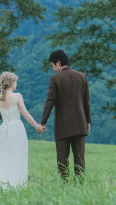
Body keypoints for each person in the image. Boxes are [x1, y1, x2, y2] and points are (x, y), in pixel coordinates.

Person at [38, 49, 91, 180]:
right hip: (80, 124)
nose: (53, 69)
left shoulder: (55, 79)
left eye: (52, 65)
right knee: (79, 158)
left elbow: (50, 102)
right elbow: (86, 101)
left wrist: (42, 122)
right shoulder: (82, 76)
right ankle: (79, 186)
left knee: (62, 159)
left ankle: (64, 185)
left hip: (63, 125)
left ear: (58, 62)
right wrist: (87, 121)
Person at [0, 71, 42, 192]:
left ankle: (2, 184)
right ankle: (16, 185)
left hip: (4, 131)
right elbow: (25, 114)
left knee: (3, 158)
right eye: (15, 82)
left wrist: (1, 128)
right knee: (18, 156)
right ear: (11, 83)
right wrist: (37, 126)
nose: (16, 84)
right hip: (17, 129)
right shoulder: (17, 96)